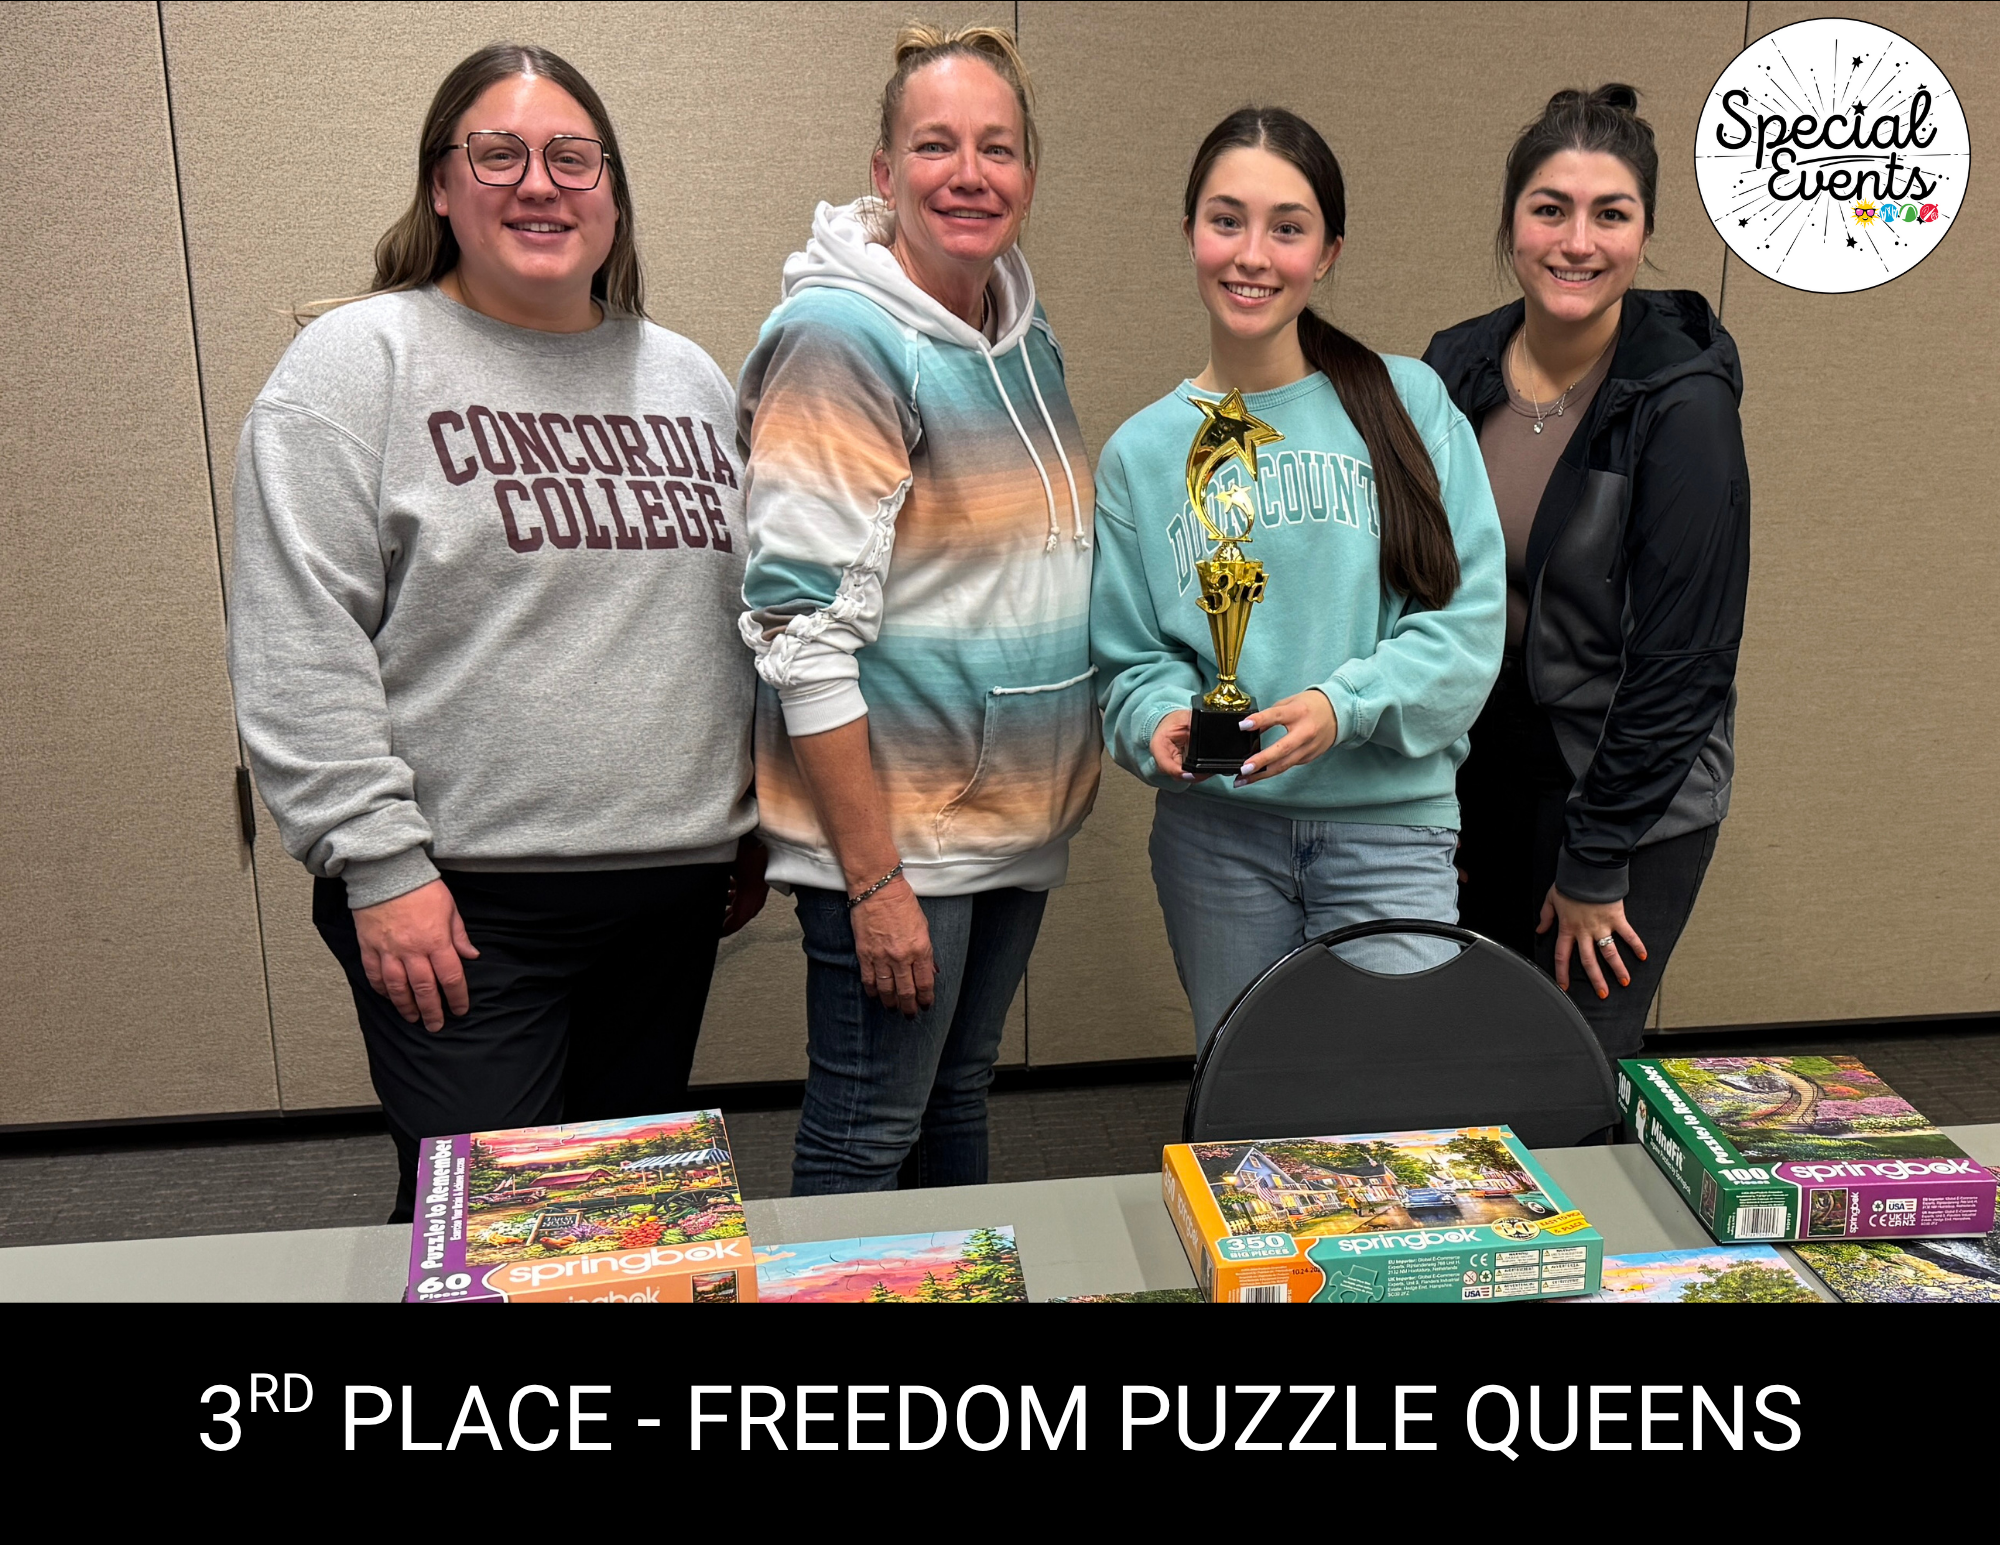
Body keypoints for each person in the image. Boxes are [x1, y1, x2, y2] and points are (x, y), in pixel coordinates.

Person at [227, 44, 764, 1223]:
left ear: (613, 195)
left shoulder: (683, 377)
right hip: (459, 903)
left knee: (619, 1224)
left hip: (669, 894)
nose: (539, 183)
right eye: (498, 154)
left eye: (573, 157)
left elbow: (730, 620)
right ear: (439, 185)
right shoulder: (356, 365)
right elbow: (298, 638)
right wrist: (378, 865)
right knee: (503, 1230)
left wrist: (751, 820)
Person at [738, 24, 1097, 1194]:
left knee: (953, 1095)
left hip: (1002, 826)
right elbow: (800, 633)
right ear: (884, 174)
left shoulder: (1017, 329)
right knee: (864, 1131)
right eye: (934, 146)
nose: (968, 172)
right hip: (898, 840)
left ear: (1027, 178)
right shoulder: (841, 340)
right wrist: (873, 879)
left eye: (996, 148)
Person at [1091, 107, 1505, 1049]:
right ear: (1190, 232)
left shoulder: (1408, 403)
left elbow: (1467, 629)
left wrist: (1340, 703)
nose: (1252, 254)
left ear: (1328, 252)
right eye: (1225, 220)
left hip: (1390, 833)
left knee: (1398, 1119)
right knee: (1253, 1114)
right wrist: (1149, 715)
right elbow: (1128, 663)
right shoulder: (1141, 453)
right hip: (1216, 842)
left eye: (1288, 227)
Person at [1423, 85, 1750, 1059]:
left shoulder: (1679, 405)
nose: (1577, 241)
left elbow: (1684, 661)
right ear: (1510, 223)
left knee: (1563, 1069)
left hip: (1625, 793)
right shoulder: (1453, 365)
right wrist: (1428, 795)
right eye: (1548, 209)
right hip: (1484, 776)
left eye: (1609, 214)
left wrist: (1595, 858)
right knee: (1463, 1058)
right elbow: (1416, 593)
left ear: (1643, 231)